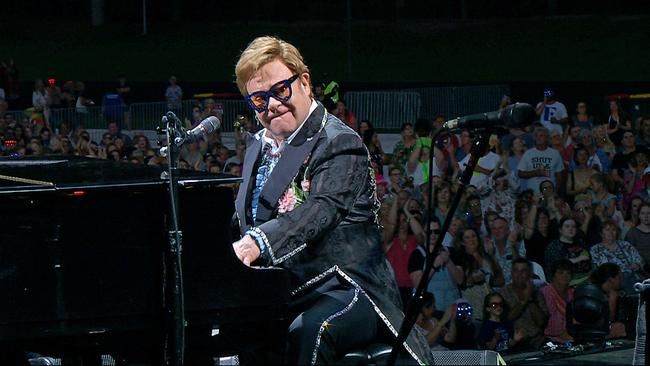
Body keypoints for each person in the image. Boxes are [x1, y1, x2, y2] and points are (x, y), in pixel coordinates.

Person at [230, 36, 430, 364]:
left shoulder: (340, 142)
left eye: (280, 90)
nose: (272, 105)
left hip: (347, 285)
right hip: (284, 289)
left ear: (304, 81)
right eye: (258, 99)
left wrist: (255, 243)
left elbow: (322, 207)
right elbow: (243, 219)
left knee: (311, 330)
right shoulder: (256, 146)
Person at [498, 258, 549, 351]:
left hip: (538, 341)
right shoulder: (503, 293)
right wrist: (524, 300)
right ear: (512, 273)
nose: (519, 275)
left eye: (523, 271)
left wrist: (530, 299)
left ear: (529, 274)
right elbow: (507, 318)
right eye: (515, 271)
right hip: (514, 343)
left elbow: (541, 322)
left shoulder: (536, 292)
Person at [589, 219, 646, 294]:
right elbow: (597, 269)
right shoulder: (595, 249)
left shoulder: (625, 245)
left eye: (613, 230)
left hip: (629, 276)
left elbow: (640, 260)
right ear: (601, 233)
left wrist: (637, 265)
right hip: (609, 280)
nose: (611, 232)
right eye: (607, 230)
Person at [540, 259, 575, 343]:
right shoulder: (545, 293)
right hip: (551, 337)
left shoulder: (573, 293)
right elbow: (551, 323)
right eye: (560, 273)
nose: (565, 276)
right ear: (553, 275)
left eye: (568, 273)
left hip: (571, 334)